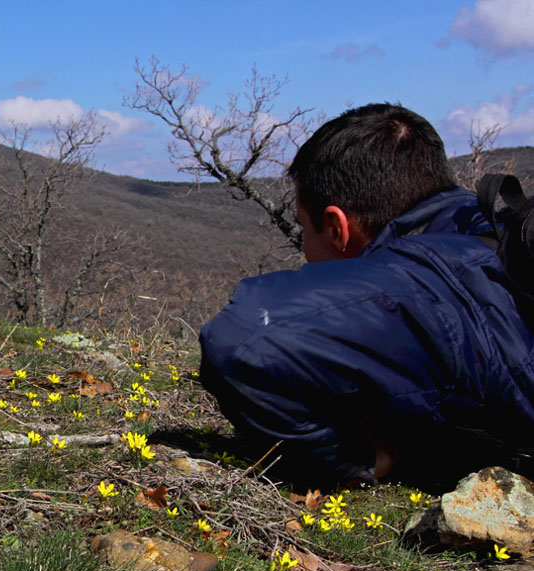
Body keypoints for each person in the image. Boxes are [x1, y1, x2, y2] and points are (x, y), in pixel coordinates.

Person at [198, 103, 534, 489]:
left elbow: (244, 342)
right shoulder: (491, 228)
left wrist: (361, 460)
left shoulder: (420, 285)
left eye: (305, 227)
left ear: (337, 227)